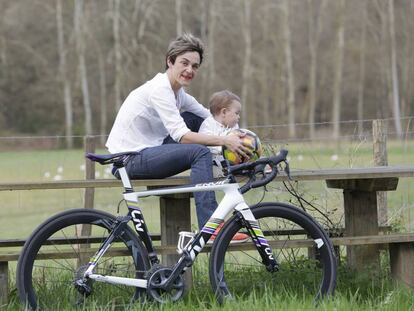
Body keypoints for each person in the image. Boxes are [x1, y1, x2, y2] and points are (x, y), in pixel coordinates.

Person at [105, 33, 249, 242]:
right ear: (169, 62)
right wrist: (225, 141)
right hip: (128, 160)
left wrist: (242, 138)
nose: (190, 70)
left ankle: (231, 162)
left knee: (193, 119)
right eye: (184, 63)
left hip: (148, 149)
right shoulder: (160, 90)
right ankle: (211, 227)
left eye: (195, 66)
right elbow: (181, 137)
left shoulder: (178, 93)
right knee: (199, 152)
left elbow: (210, 117)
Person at [199, 90, 241, 178]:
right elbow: (206, 144)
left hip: (231, 161)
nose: (239, 117)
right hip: (211, 165)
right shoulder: (208, 125)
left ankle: (258, 164)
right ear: (224, 112)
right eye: (237, 113)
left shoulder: (234, 126)